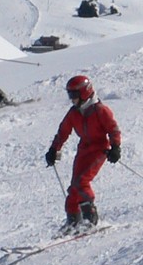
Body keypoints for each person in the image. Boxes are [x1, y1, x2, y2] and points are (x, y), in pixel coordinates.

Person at [44, 74, 122, 230]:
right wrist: (54, 149)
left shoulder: (100, 110)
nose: (71, 99)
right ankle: (73, 220)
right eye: (69, 95)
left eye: (74, 95)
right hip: (83, 150)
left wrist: (115, 147)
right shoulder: (74, 112)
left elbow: (113, 129)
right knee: (74, 186)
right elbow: (63, 132)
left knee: (82, 182)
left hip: (99, 150)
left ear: (84, 93)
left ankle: (90, 217)